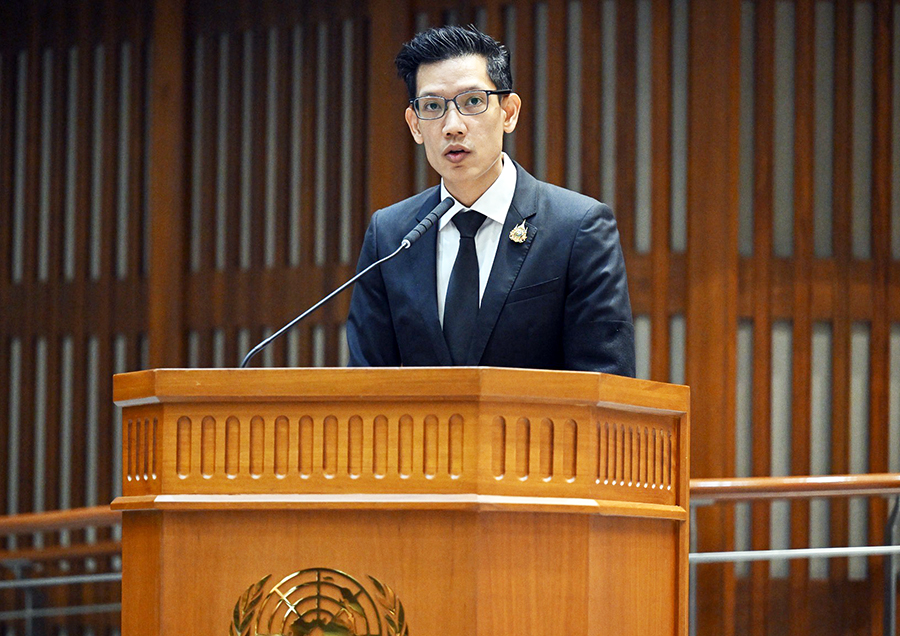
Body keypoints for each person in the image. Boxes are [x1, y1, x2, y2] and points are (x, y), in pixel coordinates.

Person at [346, 25, 635, 376]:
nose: (453, 126)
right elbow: (365, 381)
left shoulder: (577, 227)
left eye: (472, 101)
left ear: (509, 112)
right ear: (415, 125)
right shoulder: (391, 235)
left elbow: (606, 379)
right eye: (433, 106)